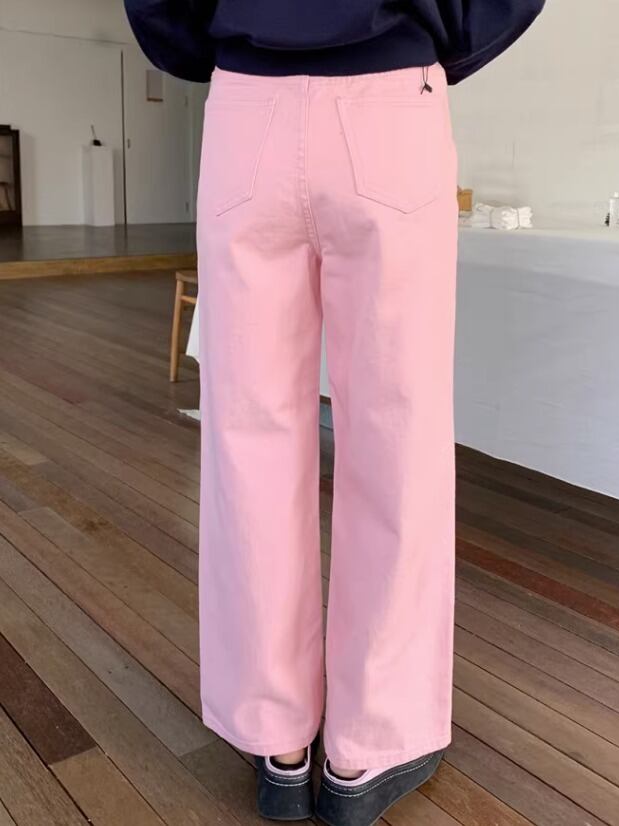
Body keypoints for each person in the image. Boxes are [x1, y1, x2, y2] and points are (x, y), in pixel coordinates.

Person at [124, 2, 545, 824]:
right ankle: (367, 748)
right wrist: (432, 35)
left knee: (250, 438)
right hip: (389, 101)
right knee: (397, 439)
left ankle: (276, 738)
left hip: (247, 107)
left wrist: (227, 38)